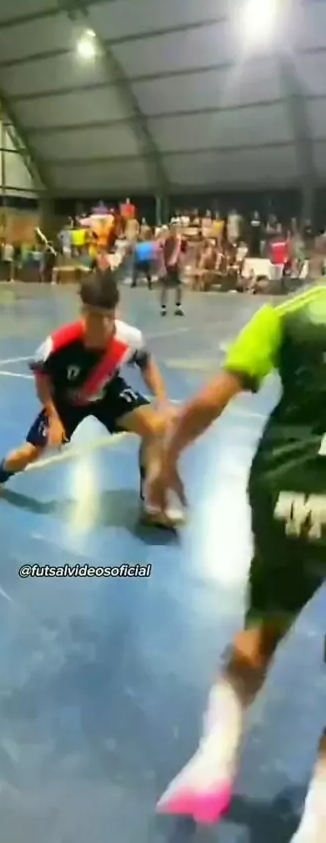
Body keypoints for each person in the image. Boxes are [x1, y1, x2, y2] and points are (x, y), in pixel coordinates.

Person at [156, 282, 326, 842]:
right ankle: (317, 824)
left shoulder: (287, 313)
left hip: (288, 486)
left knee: (261, 627)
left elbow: (208, 401)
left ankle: (215, 755)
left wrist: (166, 461)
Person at [0, 271, 183, 528]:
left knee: (156, 427)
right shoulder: (57, 344)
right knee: (28, 453)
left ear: (116, 312)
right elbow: (42, 382)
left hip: (107, 391)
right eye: (94, 316)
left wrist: (163, 403)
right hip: (65, 401)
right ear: (83, 311)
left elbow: (147, 364)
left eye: (107, 317)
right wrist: (54, 418)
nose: (101, 324)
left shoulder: (129, 338)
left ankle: (151, 503)